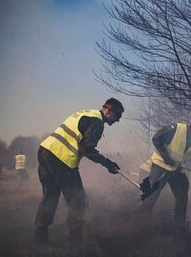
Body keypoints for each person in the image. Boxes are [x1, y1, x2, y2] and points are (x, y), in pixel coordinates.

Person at [34, 98, 124, 243]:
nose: (118, 120)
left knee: (50, 194)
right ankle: (75, 240)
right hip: (61, 159)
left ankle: (40, 235)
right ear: (107, 110)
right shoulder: (97, 123)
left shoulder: (87, 113)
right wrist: (108, 164)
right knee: (78, 199)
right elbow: (87, 149)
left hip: (45, 151)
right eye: (118, 115)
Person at [140, 114, 191, 235]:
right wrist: (166, 157)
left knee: (182, 197)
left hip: (177, 170)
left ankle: (179, 228)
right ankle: (141, 223)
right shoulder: (175, 128)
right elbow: (156, 139)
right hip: (161, 166)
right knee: (151, 195)